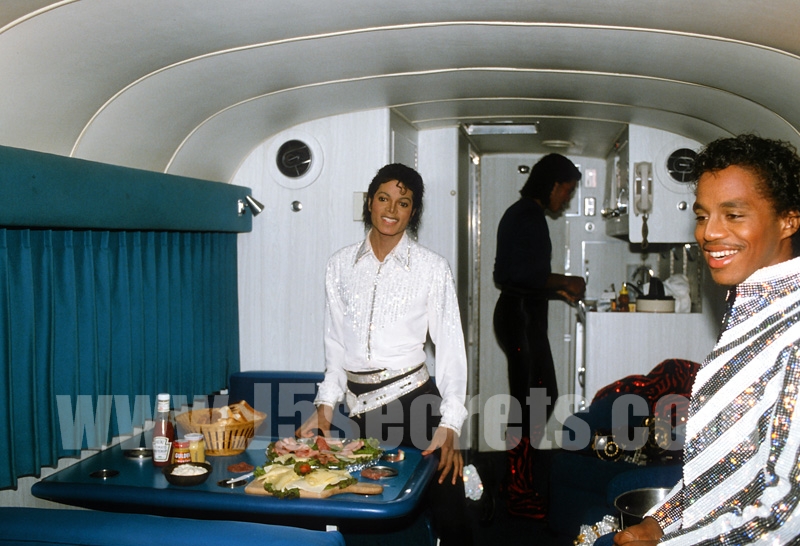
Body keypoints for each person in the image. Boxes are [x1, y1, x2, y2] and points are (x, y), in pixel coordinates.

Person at [614, 134, 800, 545]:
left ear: (788, 220)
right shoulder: (753, 306)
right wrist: (657, 524)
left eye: (733, 215)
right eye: (702, 216)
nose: (709, 233)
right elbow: (724, 465)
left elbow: (785, 515)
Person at [297, 163, 473, 546]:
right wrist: (325, 406)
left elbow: (451, 350)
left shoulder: (432, 268)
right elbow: (336, 346)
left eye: (403, 202)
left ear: (413, 212)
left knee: (450, 514)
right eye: (384, 198)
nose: (391, 209)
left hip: (416, 403)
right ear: (370, 202)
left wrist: (451, 424)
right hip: (360, 412)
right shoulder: (340, 265)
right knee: (365, 521)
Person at [492, 153, 586, 518]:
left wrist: (555, 289)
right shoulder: (527, 216)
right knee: (532, 400)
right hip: (519, 317)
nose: (567, 198)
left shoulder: (523, 214)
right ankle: (518, 491)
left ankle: (513, 479)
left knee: (539, 397)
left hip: (521, 314)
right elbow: (513, 275)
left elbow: (517, 275)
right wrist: (565, 281)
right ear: (553, 185)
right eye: (567, 190)